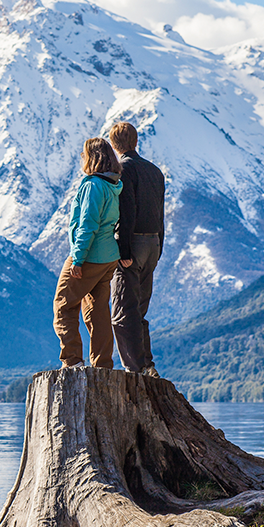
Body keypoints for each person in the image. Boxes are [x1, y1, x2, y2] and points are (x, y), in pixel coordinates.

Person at [52, 138, 123, 369]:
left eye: (84, 154)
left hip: (89, 256)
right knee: (97, 311)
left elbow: (88, 225)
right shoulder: (113, 185)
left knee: (63, 304)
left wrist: (78, 259)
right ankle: (102, 364)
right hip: (109, 257)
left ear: (92, 157)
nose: (82, 158)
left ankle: (72, 361)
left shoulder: (93, 185)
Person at [108, 122, 166, 378]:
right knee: (139, 310)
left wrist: (124, 250)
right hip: (153, 243)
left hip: (133, 243)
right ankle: (147, 365)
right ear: (136, 141)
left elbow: (127, 210)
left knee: (122, 311)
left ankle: (136, 369)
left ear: (114, 144)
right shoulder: (155, 171)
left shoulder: (123, 169)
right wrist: (158, 247)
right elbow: (160, 213)